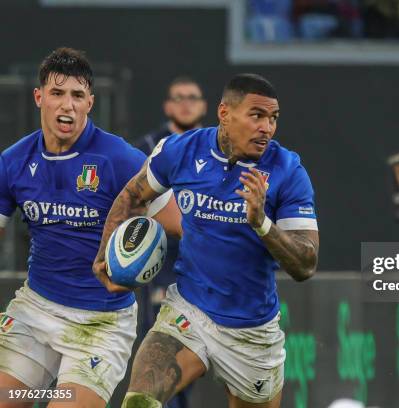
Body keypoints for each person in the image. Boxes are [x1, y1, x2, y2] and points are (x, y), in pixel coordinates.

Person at [93, 73, 319, 408]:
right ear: (225, 113)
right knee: (139, 402)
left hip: (251, 330)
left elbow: (306, 264)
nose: (267, 129)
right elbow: (132, 195)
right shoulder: (180, 150)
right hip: (188, 310)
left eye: (273, 119)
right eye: (256, 116)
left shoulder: (288, 170)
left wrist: (262, 224)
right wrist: (105, 256)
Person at [0, 47, 180, 408]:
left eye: (77, 95)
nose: (67, 105)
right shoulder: (13, 162)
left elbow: (180, 224)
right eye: (57, 93)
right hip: (35, 313)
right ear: (39, 97)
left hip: (101, 325)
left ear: (90, 103)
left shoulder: (119, 158)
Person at [134, 76, 207, 408]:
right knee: (164, 348)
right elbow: (132, 200)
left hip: (204, 264)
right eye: (179, 97)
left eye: (192, 97)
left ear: (204, 106)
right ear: (167, 106)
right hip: (162, 264)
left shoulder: (216, 148)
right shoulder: (149, 147)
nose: (186, 103)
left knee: (198, 347)